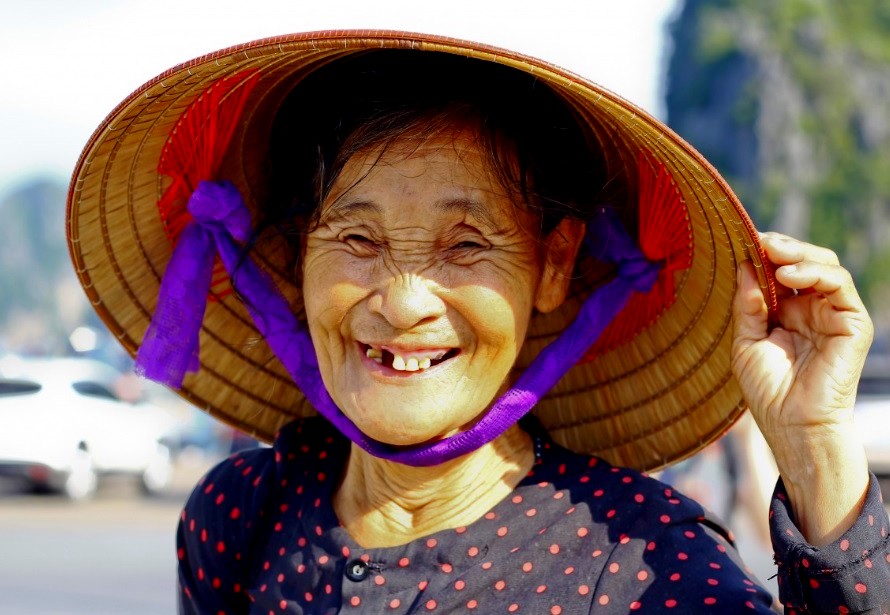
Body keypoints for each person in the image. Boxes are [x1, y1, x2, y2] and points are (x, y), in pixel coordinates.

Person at [66, 32, 885, 613]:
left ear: (553, 266)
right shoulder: (240, 517)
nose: (403, 300)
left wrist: (814, 447)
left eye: (466, 244)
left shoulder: (640, 561)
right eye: (357, 237)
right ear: (295, 255)